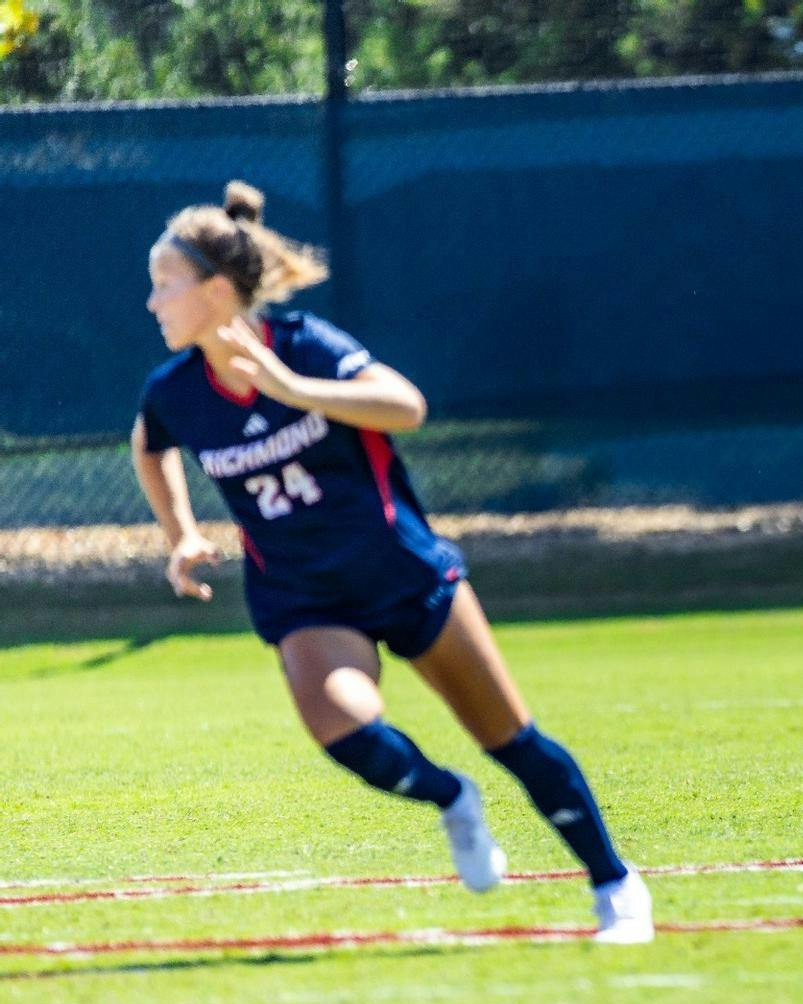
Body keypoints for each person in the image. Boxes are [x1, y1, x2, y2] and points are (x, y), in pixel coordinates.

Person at [131, 181, 651, 942]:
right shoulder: (176, 389)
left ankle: (614, 884)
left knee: (510, 736)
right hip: (305, 597)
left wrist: (287, 388)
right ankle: (451, 798)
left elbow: (406, 406)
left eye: (163, 285)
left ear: (214, 290)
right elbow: (151, 448)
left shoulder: (306, 345)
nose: (152, 303)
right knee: (341, 727)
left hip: (400, 573)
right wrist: (178, 533)